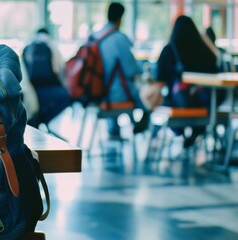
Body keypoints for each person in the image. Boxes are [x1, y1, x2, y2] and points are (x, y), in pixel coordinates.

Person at [155, 15, 219, 148]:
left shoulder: (169, 49)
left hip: (181, 104)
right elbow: (215, 71)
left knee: (162, 102)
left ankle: (180, 132)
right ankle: (197, 130)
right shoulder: (203, 49)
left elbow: (159, 79)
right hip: (206, 104)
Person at [89, 2, 147, 138]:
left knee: (116, 83)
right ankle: (140, 126)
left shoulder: (95, 37)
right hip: (113, 96)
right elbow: (131, 70)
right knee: (145, 99)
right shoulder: (119, 38)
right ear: (121, 18)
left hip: (94, 93)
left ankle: (114, 131)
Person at [22, 27, 69, 128]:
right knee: (67, 96)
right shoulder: (51, 46)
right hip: (49, 89)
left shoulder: (28, 46)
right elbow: (60, 70)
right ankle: (44, 119)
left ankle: (37, 119)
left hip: (31, 92)